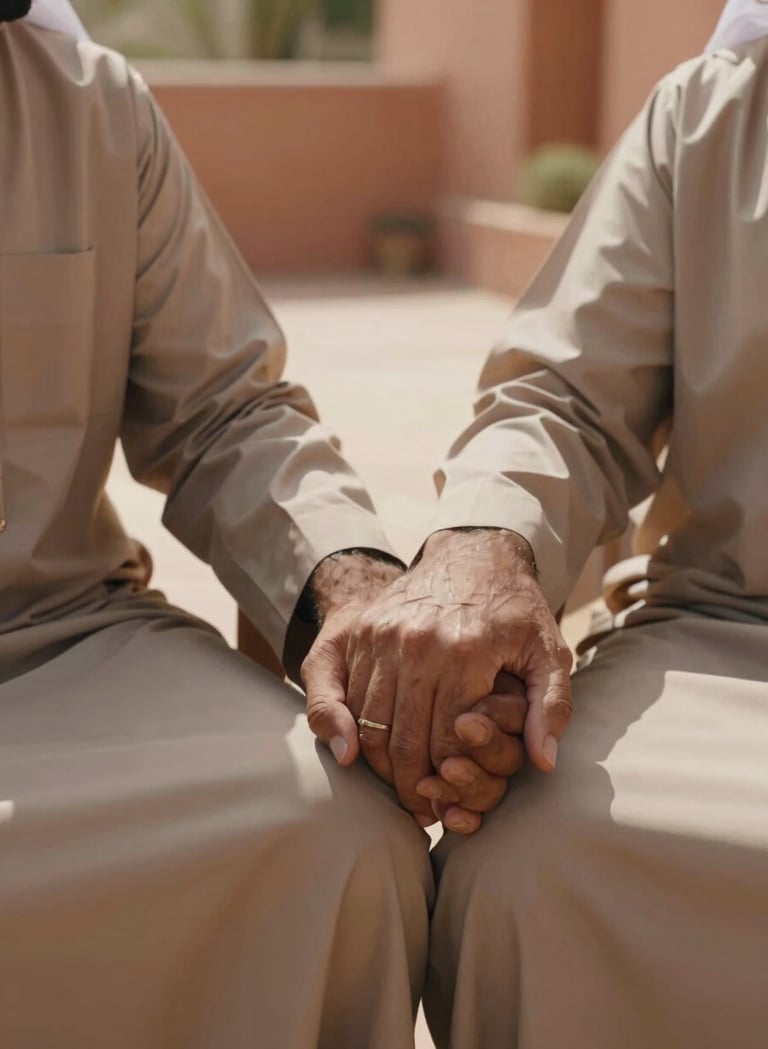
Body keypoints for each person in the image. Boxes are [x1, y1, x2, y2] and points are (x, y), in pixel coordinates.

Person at [0, 4, 529, 1046]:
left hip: (52, 635)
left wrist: (356, 593)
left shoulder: (84, 100)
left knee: (344, 839)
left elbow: (222, 411)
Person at [303, 1, 768, 1045]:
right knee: (508, 862)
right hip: (731, 630)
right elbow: (567, 397)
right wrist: (480, 554)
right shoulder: (714, 114)